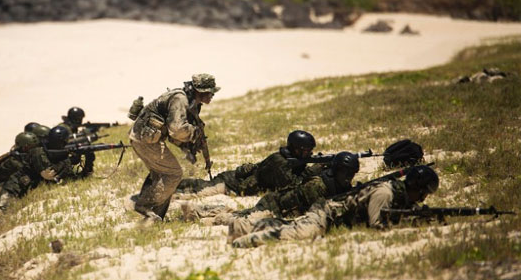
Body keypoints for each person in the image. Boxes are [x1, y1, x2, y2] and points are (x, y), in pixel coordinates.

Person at [231, 165, 439, 248]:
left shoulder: (400, 196)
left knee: (291, 226)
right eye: (424, 192)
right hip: (327, 213)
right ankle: (245, 241)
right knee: (305, 232)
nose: (423, 197)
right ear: (416, 187)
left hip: (334, 218)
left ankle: (251, 226)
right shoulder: (385, 193)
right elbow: (377, 226)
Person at [183, 151, 360, 229]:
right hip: (273, 207)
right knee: (238, 219)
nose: (347, 177)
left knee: (241, 213)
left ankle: (201, 211)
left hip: (277, 206)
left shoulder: (331, 183)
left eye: (350, 174)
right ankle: (202, 216)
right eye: (344, 173)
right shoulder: (318, 185)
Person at [129, 73, 220, 223]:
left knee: (162, 173)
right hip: (145, 139)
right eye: (210, 92)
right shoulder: (180, 100)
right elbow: (177, 130)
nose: (212, 95)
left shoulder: (190, 102)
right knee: (174, 174)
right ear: (200, 91)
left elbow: (171, 132)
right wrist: (194, 133)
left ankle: (155, 216)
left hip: (145, 137)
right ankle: (145, 205)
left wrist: (187, 148)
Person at [176, 130, 321, 196]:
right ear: (297, 150)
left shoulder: (287, 160)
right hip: (230, 184)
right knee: (195, 190)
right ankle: (166, 184)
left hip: (235, 183)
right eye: (307, 151)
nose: (310, 154)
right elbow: (292, 185)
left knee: (196, 188)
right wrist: (313, 170)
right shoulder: (280, 162)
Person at [57, 107, 95, 176]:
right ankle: (87, 171)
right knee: (88, 149)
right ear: (76, 119)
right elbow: (70, 142)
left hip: (62, 154)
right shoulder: (65, 128)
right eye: (80, 119)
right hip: (61, 156)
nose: (81, 121)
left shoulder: (67, 126)